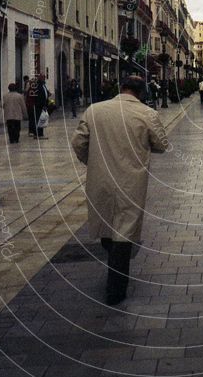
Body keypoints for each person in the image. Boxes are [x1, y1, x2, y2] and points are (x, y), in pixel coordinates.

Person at [71, 75, 167, 306]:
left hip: (100, 179)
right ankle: (115, 289)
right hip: (130, 181)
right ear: (141, 92)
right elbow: (162, 145)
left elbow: (78, 142)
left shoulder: (94, 110)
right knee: (124, 231)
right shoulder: (147, 114)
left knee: (108, 225)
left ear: (120, 88)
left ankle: (114, 262)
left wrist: (92, 161)